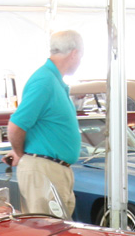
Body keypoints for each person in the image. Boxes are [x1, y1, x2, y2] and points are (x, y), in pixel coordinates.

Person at [5, 30, 84, 214]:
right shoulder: (44, 80)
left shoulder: (53, 80)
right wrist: (20, 152)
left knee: (55, 233)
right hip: (44, 171)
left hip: (52, 170)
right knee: (47, 233)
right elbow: (16, 125)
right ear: (74, 54)